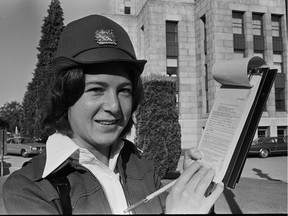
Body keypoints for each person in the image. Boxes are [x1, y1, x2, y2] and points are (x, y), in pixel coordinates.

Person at [2, 14, 223, 214]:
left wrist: (193, 190)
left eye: (124, 91)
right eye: (96, 89)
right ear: (65, 95)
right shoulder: (28, 188)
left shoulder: (141, 165)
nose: (114, 107)